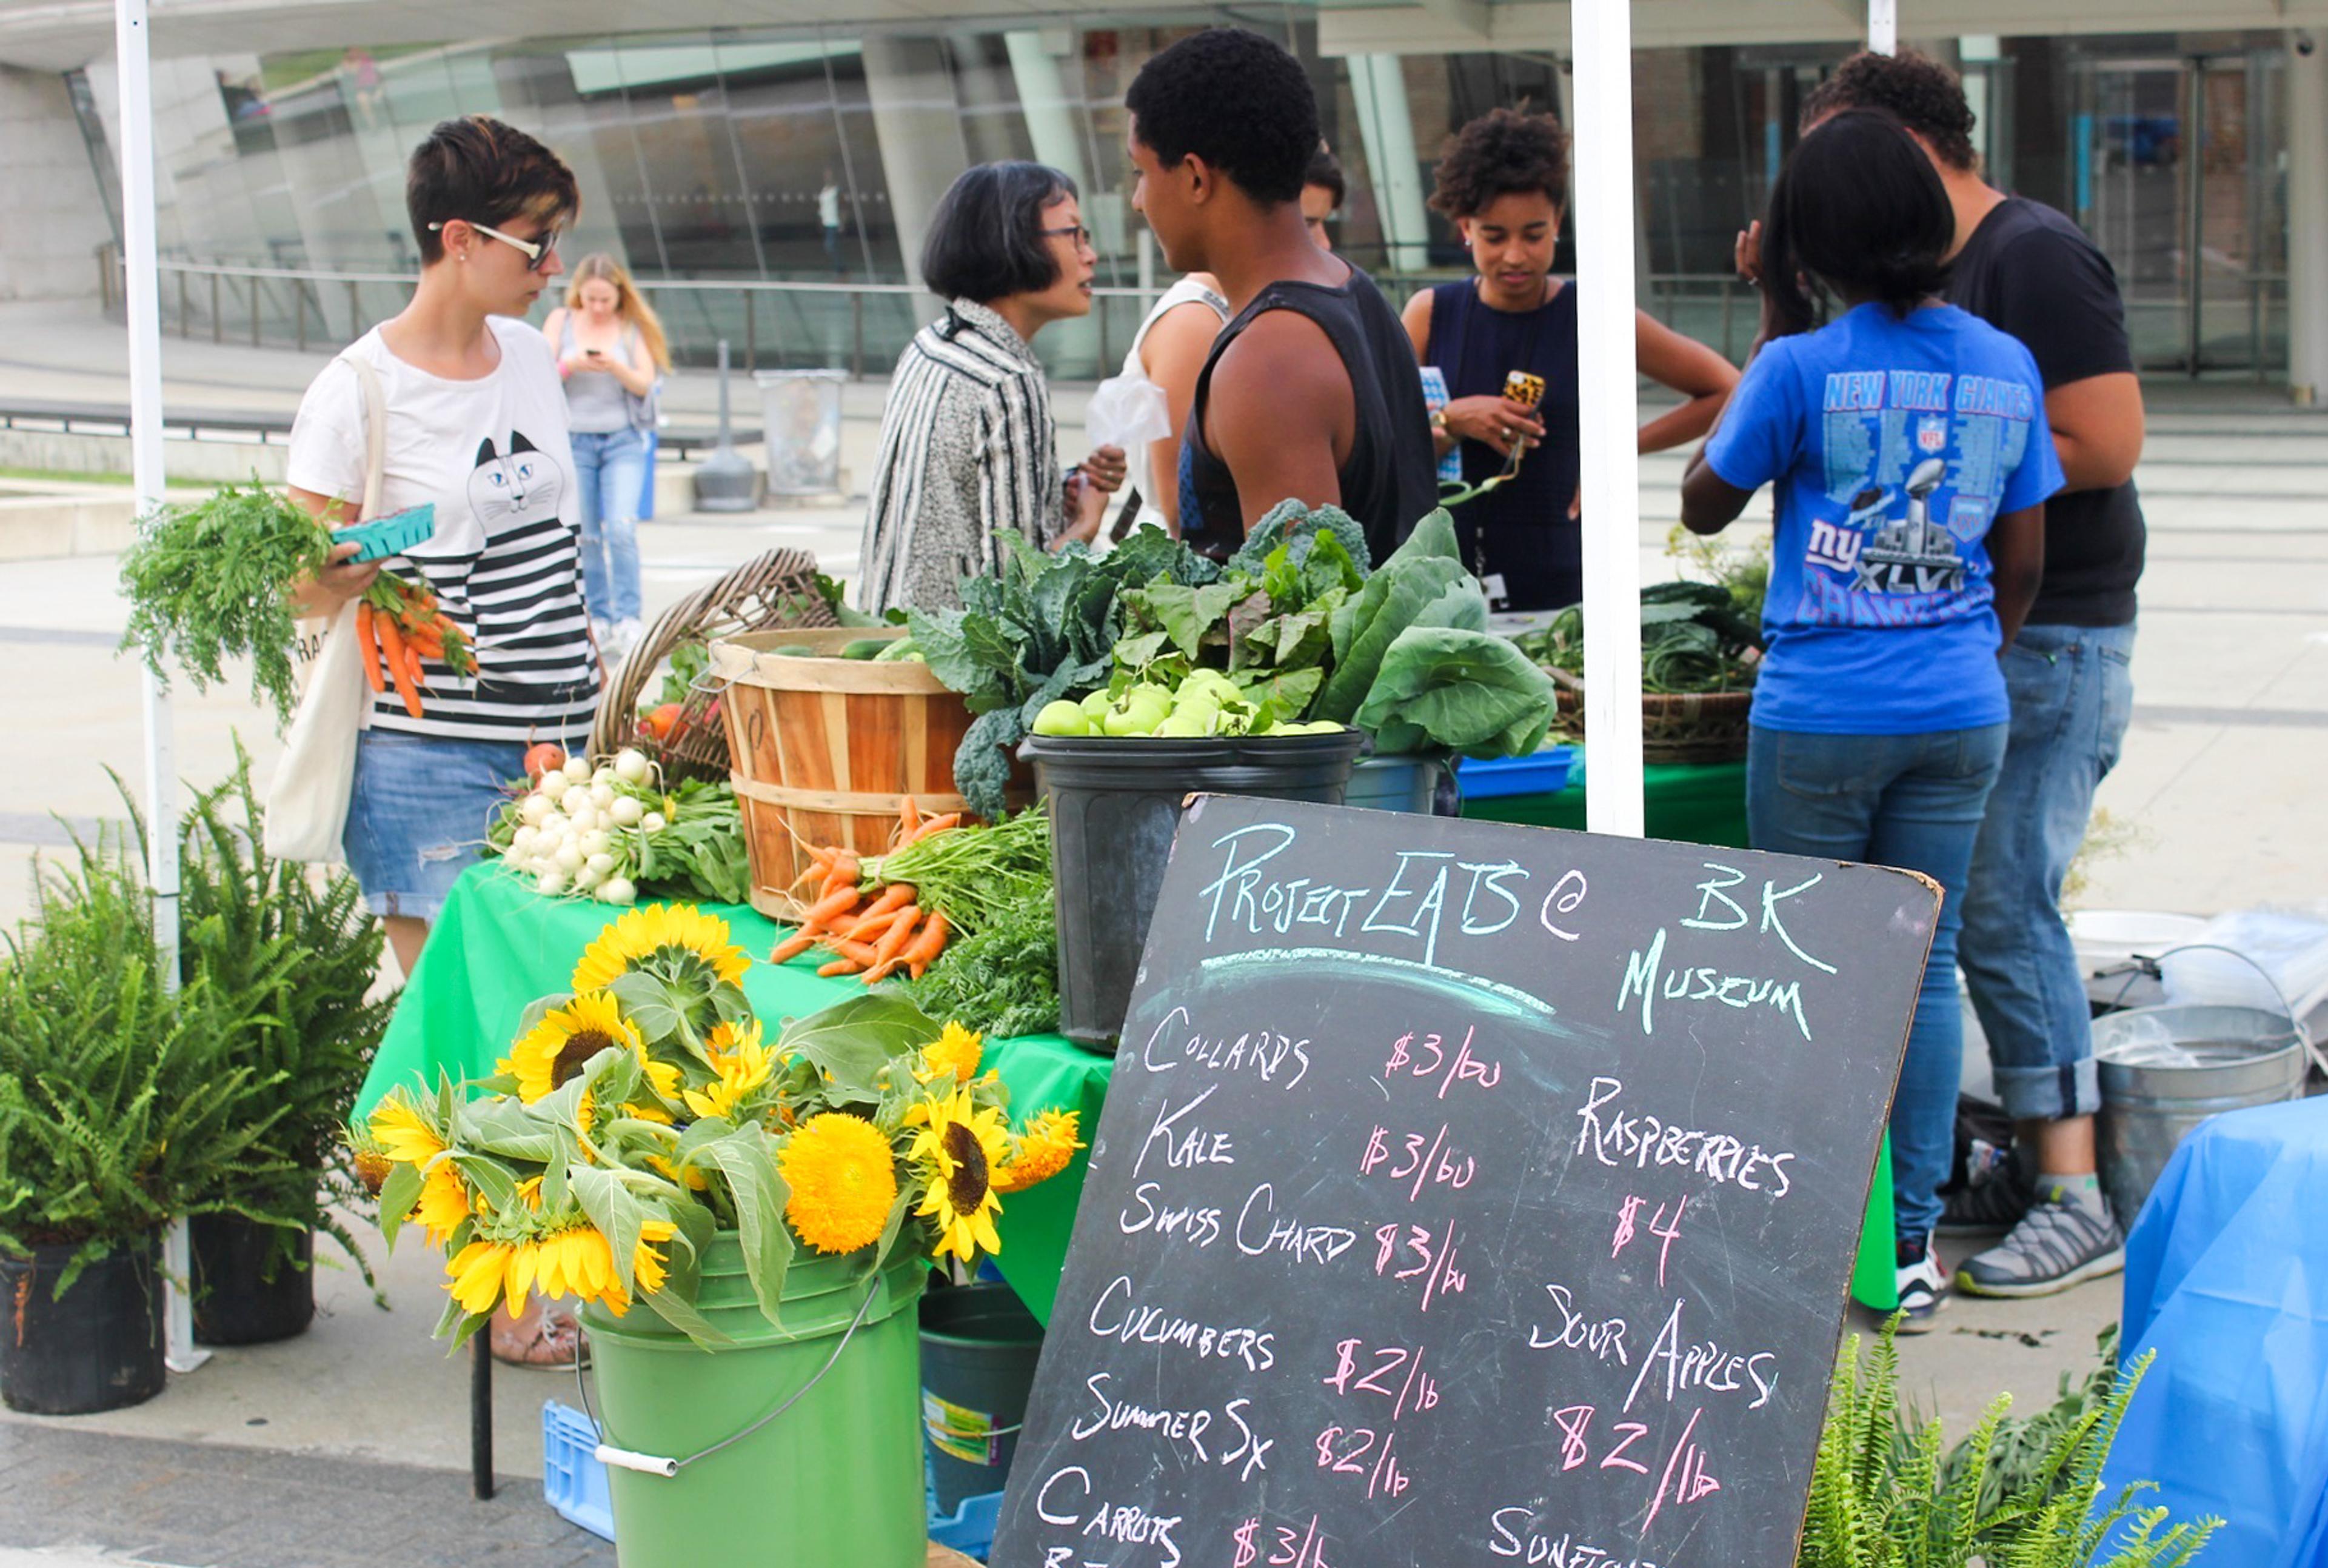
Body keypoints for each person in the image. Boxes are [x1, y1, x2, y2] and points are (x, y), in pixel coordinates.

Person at [1678, 108, 2056, 1331]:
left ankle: (1793, 1230)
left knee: (1799, 969)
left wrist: (1776, 323)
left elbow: (1701, 501)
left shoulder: (1797, 366)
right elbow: (2027, 556)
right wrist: (1961, 652)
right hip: (1960, 701)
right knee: (1923, 970)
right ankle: (1906, 1246)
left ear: (1804, 240)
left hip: (1822, 713)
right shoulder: (2006, 363)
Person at [1785, 52, 2149, 1303]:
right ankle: (1989, 1172)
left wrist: (1941, 454)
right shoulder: (1919, 288)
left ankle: (2073, 1188)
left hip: (2049, 634)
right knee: (1952, 924)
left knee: (2003, 908)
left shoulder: (2030, 254)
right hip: (1971, 640)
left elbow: (2106, 436)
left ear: (1898, 149)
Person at [283, 115, 598, 1369]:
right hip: (422, 753)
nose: (554, 265)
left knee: (558, 1023)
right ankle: (505, 1292)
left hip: (553, 748)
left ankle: (548, 1256)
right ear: (458, 240)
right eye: (536, 242)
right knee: (472, 1037)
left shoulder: (531, 357)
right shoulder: (355, 388)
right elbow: (304, 580)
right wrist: (420, 525)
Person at [1403, 108, 1737, 611]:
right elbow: (1389, 451)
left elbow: (1728, 389)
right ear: (1464, 228)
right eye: (1495, 236)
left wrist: (1616, 452)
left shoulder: (1593, 314)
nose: (1515, 256)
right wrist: (1453, 419)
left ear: (1559, 222)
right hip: (1447, 591)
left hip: (1570, 591)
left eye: (1534, 235)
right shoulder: (1430, 314)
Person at [1126, 28, 1437, 564]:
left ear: (1196, 177)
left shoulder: (1267, 359)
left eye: (1141, 172)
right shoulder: (1349, 288)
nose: (1136, 201)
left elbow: (1296, 630)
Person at [857, 162, 1126, 613]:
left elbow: (955, 509)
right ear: (1014, 243)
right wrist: (1087, 524)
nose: (1091, 254)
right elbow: (1019, 595)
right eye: (1074, 235)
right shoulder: (1007, 382)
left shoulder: (931, 346)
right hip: (946, 674)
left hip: (882, 644)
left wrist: (1061, 489)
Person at [1113, 145, 1357, 539]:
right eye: (1309, 223)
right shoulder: (1194, 322)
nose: (1324, 243)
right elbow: (1183, 511)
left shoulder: (1259, 312)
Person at [542, 253, 670, 664]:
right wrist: (570, 364)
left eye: (605, 299)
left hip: (622, 441)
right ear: (579, 292)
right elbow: (542, 373)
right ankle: (597, 614)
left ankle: (629, 617)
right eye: (590, 298)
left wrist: (615, 365)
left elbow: (645, 382)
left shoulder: (631, 329)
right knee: (587, 534)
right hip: (574, 439)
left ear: (619, 294)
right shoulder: (562, 321)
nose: (597, 307)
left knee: (620, 527)